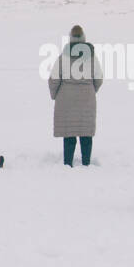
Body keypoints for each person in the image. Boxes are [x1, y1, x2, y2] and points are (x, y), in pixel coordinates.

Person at [48, 25, 104, 167]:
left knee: (69, 133)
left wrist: (55, 95)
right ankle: (86, 163)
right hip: (87, 99)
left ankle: (68, 163)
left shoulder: (63, 58)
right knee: (86, 133)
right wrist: (91, 91)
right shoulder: (92, 58)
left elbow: (54, 79)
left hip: (65, 100)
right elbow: (99, 78)